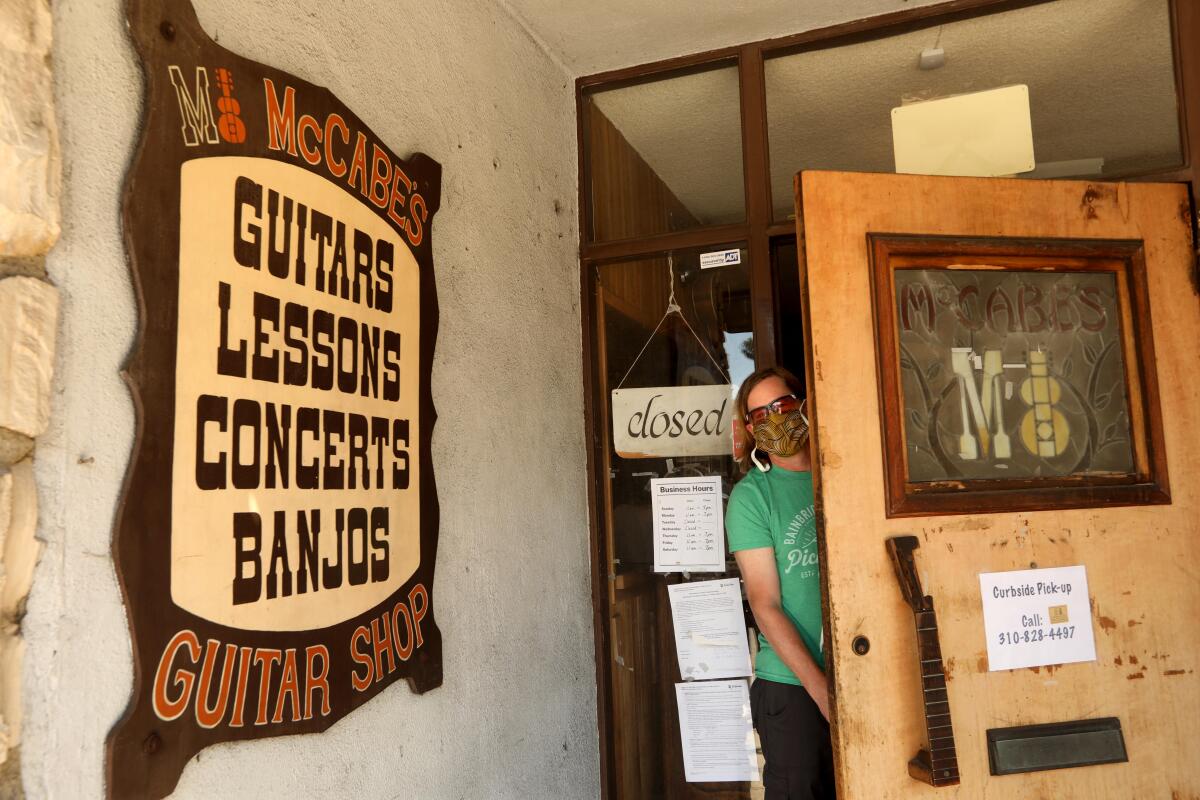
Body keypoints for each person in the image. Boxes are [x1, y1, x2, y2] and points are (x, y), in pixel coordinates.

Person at [726, 366, 835, 799]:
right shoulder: (753, 498)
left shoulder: (840, 473)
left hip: (861, 671)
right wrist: (821, 689)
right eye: (759, 415)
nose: (774, 419)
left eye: (782, 406)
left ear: (803, 406)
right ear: (750, 429)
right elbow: (765, 603)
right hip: (792, 688)